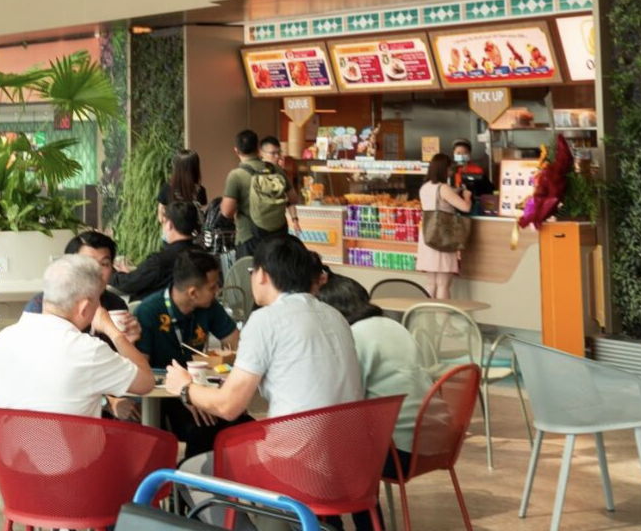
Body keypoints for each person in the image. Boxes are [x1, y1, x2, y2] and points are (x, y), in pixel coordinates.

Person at [164, 234, 362, 427]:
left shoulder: (266, 320)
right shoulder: (335, 315)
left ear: (262, 274)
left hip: (294, 453)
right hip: (347, 451)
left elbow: (228, 406)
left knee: (207, 459)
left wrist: (185, 387)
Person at [0, 255, 153, 420]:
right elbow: (145, 382)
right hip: (78, 463)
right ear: (84, 307)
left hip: (10, 462)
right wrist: (115, 333)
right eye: (97, 302)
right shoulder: (88, 351)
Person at [132, 250, 243, 454]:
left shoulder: (209, 306)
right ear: (193, 293)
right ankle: (189, 482)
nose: (217, 290)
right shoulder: (148, 312)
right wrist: (187, 394)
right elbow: (142, 371)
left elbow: (236, 342)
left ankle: (221, 478)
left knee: (240, 421)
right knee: (203, 429)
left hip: (195, 388)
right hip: (162, 397)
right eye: (212, 287)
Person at [317, 276, 430, 466]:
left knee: (320, 450)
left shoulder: (353, 337)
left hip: (397, 452)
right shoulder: (394, 326)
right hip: (431, 443)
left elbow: (342, 401)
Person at [24, 231, 133, 333]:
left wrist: (128, 341)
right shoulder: (44, 304)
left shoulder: (116, 304)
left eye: (104, 264)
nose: (98, 271)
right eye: (89, 263)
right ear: (70, 265)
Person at [221, 131, 291, 258]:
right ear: (258, 148)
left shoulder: (236, 175)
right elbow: (293, 198)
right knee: (277, 275)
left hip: (250, 236)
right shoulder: (276, 169)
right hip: (278, 236)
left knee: (251, 275)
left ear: (236, 151)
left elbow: (227, 211)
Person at [115, 200, 203, 300]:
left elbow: (128, 284)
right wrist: (135, 273)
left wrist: (111, 272)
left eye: (163, 222)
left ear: (169, 224)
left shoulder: (159, 261)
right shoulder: (202, 256)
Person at [418, 152, 473, 300]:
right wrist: (467, 196)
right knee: (443, 283)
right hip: (442, 236)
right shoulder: (443, 188)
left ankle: (427, 318)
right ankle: (443, 319)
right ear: (444, 169)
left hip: (427, 235)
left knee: (430, 283)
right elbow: (465, 207)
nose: (450, 171)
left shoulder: (424, 188)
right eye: (449, 169)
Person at [158, 147, 207, 217]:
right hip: (194, 228)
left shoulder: (167, 188)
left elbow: (161, 215)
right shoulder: (200, 190)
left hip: (171, 227)